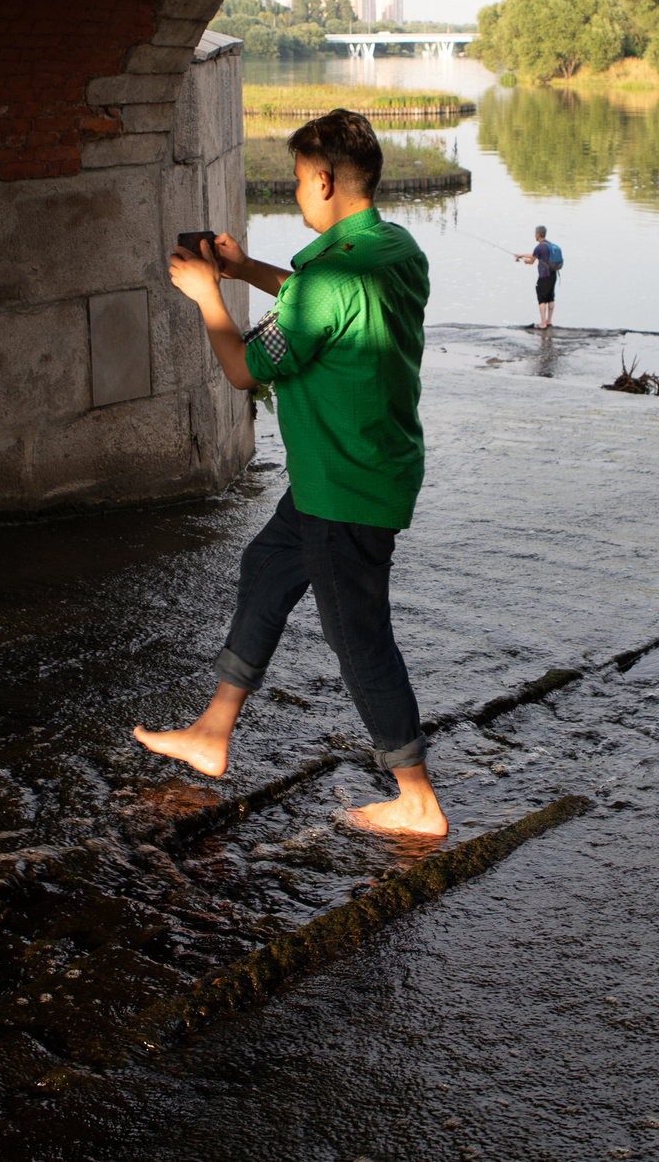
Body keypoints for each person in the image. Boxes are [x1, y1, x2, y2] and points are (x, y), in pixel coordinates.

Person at [137, 109, 446, 837]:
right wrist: (244, 270)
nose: (295, 192)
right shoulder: (397, 250)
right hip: (363, 469)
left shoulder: (323, 283)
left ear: (326, 179)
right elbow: (322, 303)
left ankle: (416, 798)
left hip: (343, 488)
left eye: (299, 180)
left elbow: (244, 368)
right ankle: (213, 732)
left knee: (359, 636)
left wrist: (209, 296)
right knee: (267, 567)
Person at [514, 224, 562, 330]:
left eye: (535, 233)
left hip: (544, 276)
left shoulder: (539, 247)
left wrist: (526, 262)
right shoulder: (549, 244)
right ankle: (549, 321)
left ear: (537, 234)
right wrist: (521, 255)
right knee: (551, 298)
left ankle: (543, 323)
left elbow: (532, 261)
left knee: (542, 300)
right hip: (553, 275)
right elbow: (535, 255)